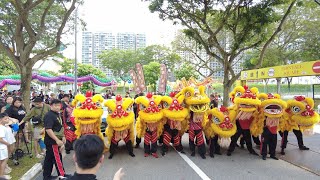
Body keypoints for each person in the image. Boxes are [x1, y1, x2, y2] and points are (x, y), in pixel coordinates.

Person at [43, 99, 70, 180]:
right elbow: (48, 129)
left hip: (56, 139)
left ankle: (47, 176)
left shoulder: (57, 114)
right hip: (52, 141)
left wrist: (63, 137)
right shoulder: (49, 115)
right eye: (56, 105)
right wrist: (57, 140)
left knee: (49, 159)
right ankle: (62, 175)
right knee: (57, 158)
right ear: (51, 105)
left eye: (59, 105)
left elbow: (59, 127)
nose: (58, 107)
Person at [0, 113, 11, 180]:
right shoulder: (1, 128)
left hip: (2, 147)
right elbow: (0, 139)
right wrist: (7, 144)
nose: (7, 120)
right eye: (5, 119)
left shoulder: (3, 127)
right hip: (2, 147)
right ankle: (1, 176)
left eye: (8, 118)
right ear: (1, 119)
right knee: (3, 161)